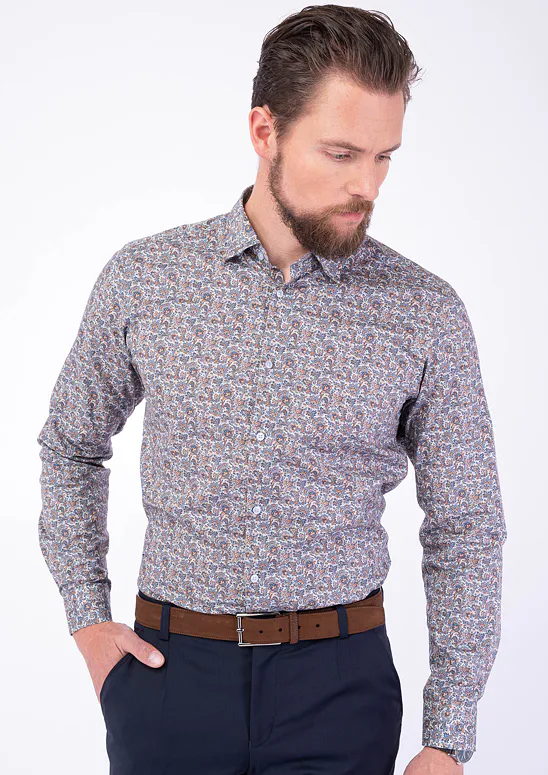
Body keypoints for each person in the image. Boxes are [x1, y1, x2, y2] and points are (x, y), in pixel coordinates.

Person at [37, 5, 507, 774]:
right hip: (168, 678)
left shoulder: (424, 311)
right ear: (265, 131)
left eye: (384, 157)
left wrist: (447, 737)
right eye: (340, 153)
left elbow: (466, 523)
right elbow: (71, 445)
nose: (366, 185)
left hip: (341, 687)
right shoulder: (147, 278)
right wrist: (88, 618)